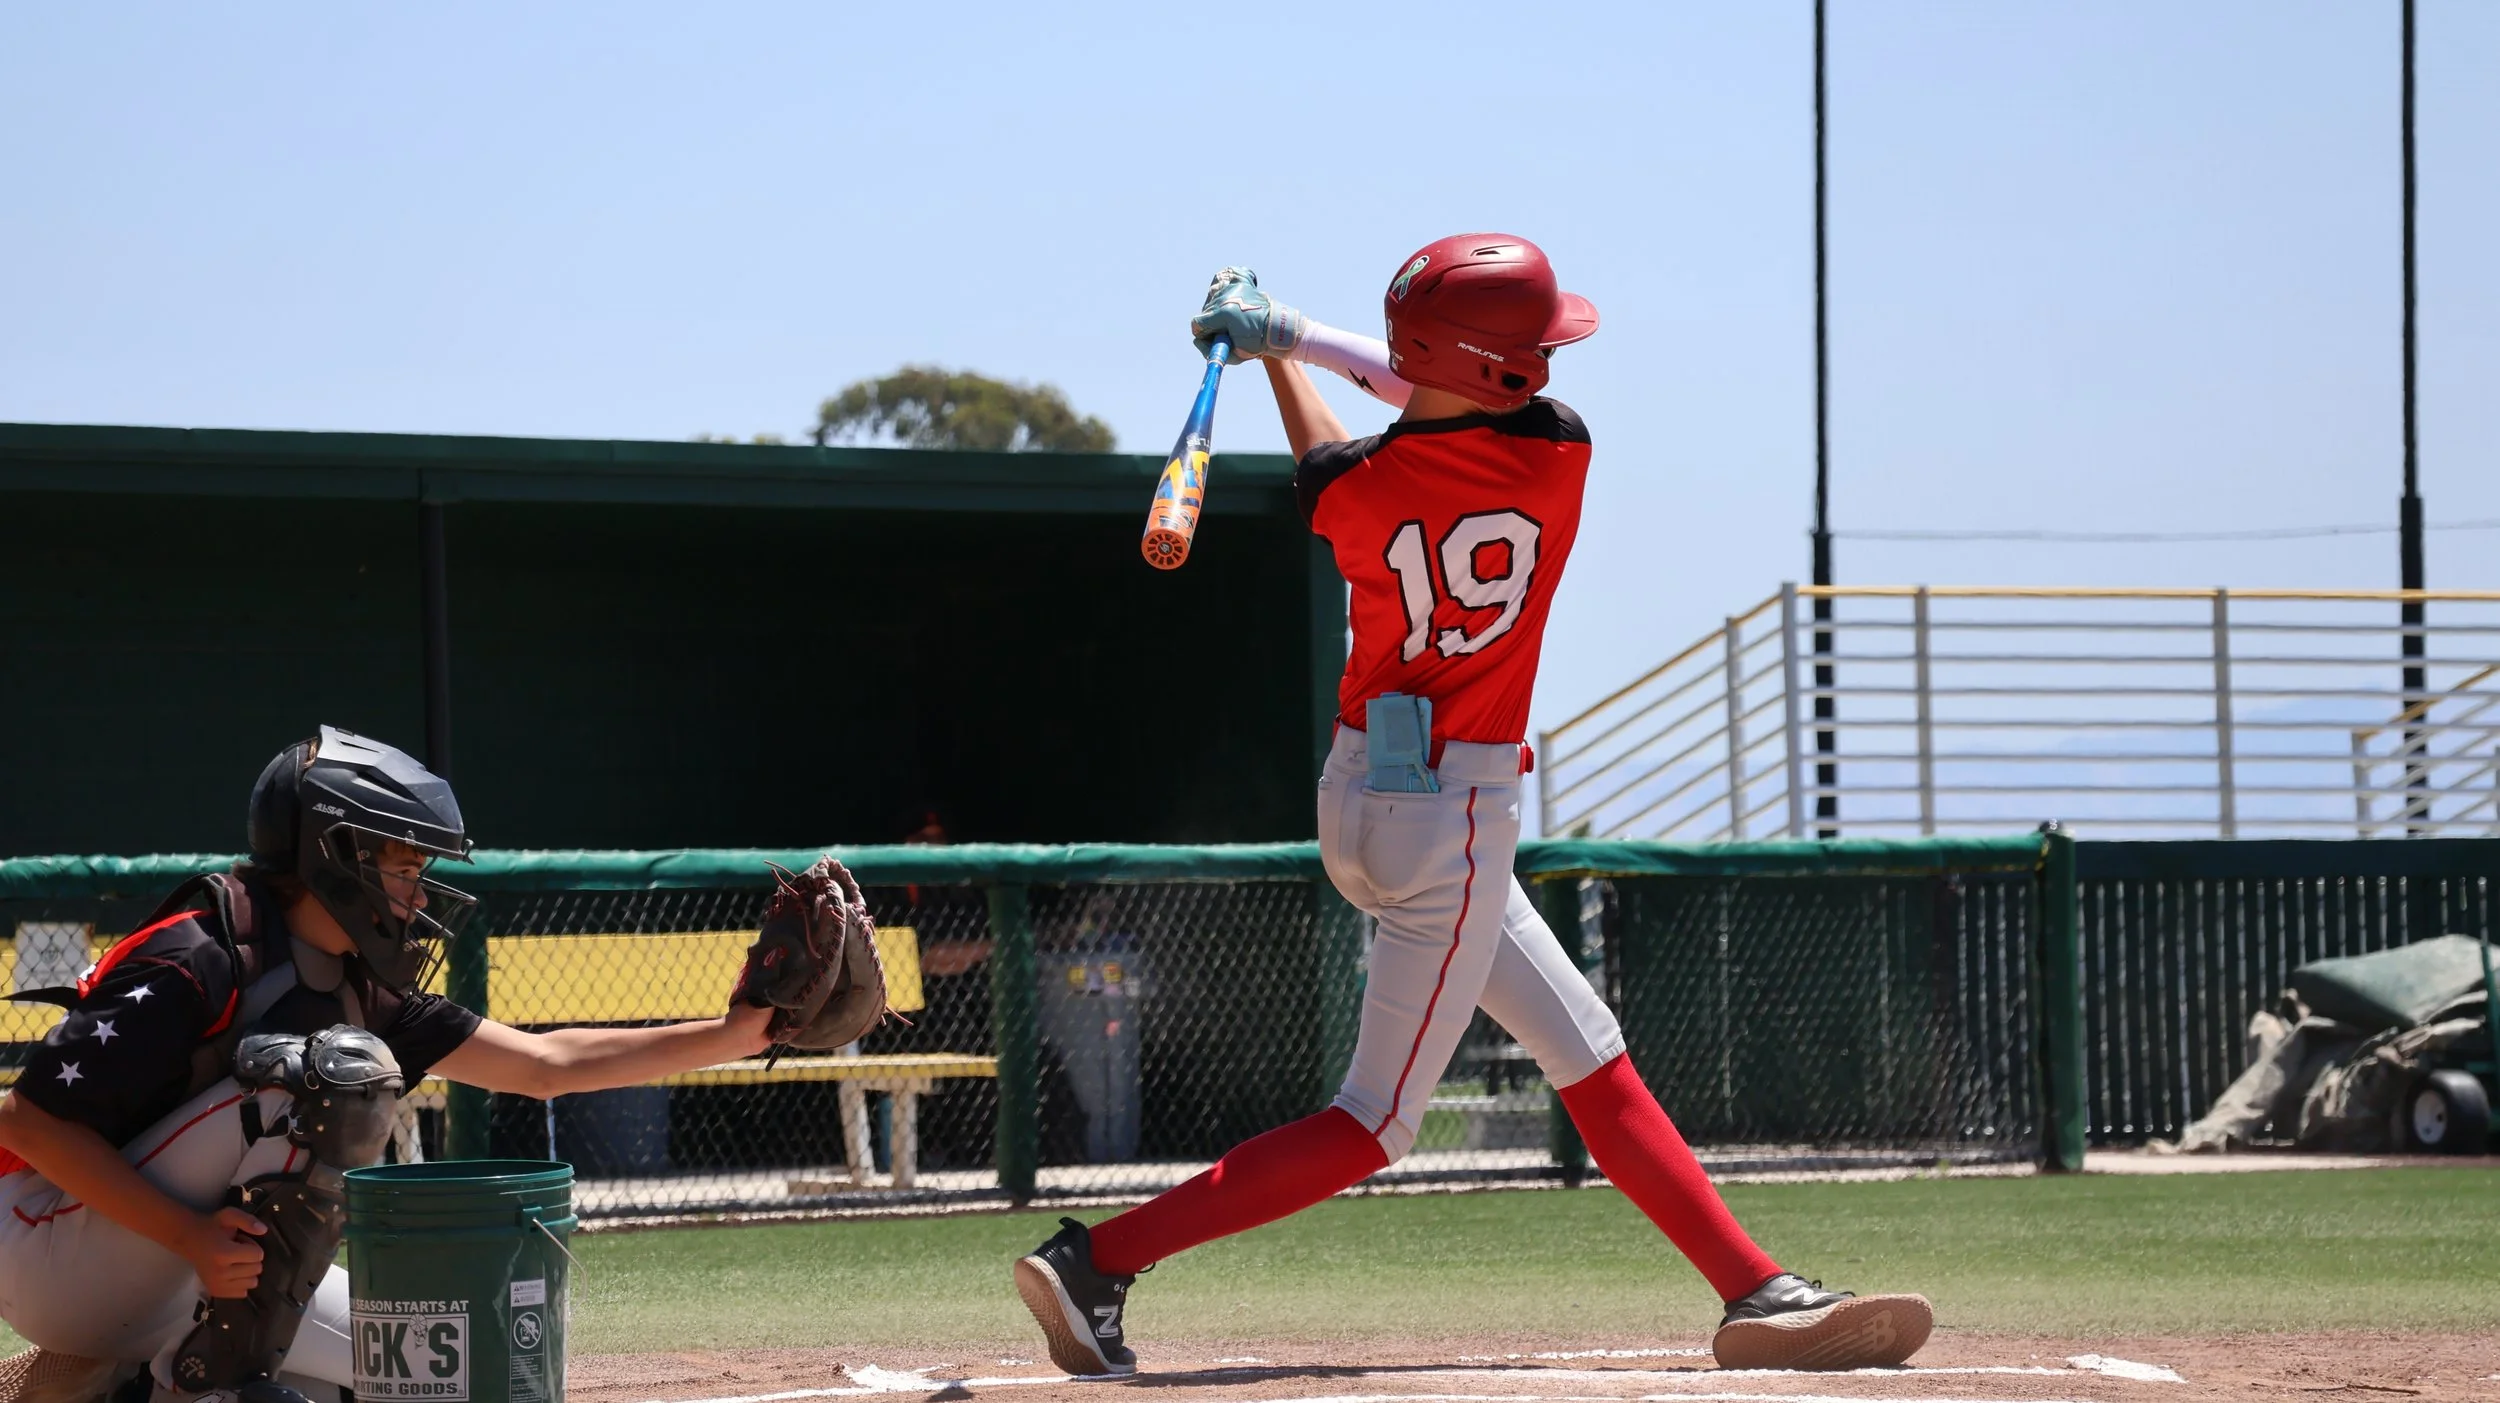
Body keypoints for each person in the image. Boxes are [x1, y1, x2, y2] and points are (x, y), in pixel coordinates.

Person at [1013, 238, 1933, 1376]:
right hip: (1451, 821)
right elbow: (1424, 398)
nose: (1546, 362)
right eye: (1532, 348)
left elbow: (1356, 442)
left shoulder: (1355, 488)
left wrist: (1273, 349)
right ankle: (1096, 1257)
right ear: (1501, 368)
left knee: (1588, 1054)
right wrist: (1292, 336)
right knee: (1374, 1122)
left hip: (1364, 801)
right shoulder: (1558, 454)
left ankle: (1756, 1287)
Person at [0, 727, 779, 1403]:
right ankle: (159, 1368)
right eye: (404, 867)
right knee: (323, 1077)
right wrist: (191, 1235)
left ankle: (147, 1383)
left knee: (446, 1365)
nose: (418, 891)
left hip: (186, 1276)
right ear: (336, 855)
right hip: (45, 1247)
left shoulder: (355, 986)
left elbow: (545, 1063)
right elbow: (23, 1121)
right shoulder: (201, 952)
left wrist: (738, 1033)